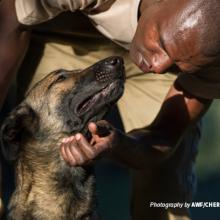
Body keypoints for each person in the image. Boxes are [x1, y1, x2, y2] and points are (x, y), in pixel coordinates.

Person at [0, 0, 219, 219]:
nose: (158, 65)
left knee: (163, 197)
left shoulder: (211, 63)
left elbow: (163, 136)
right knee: (43, 163)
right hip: (62, 36)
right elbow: (8, 21)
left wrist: (118, 144)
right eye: (162, 41)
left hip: (170, 72)